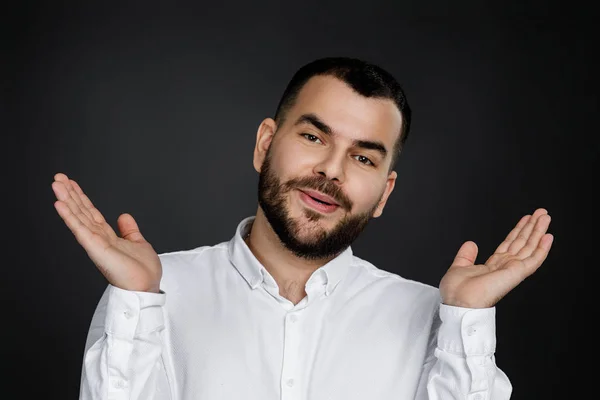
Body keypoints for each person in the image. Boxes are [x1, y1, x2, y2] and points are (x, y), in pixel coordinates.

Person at [52, 57, 553, 400]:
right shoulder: (153, 293)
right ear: (265, 143)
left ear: (385, 192)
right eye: (314, 136)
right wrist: (138, 301)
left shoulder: (436, 322)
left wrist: (466, 318)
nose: (333, 171)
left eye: (362, 156)